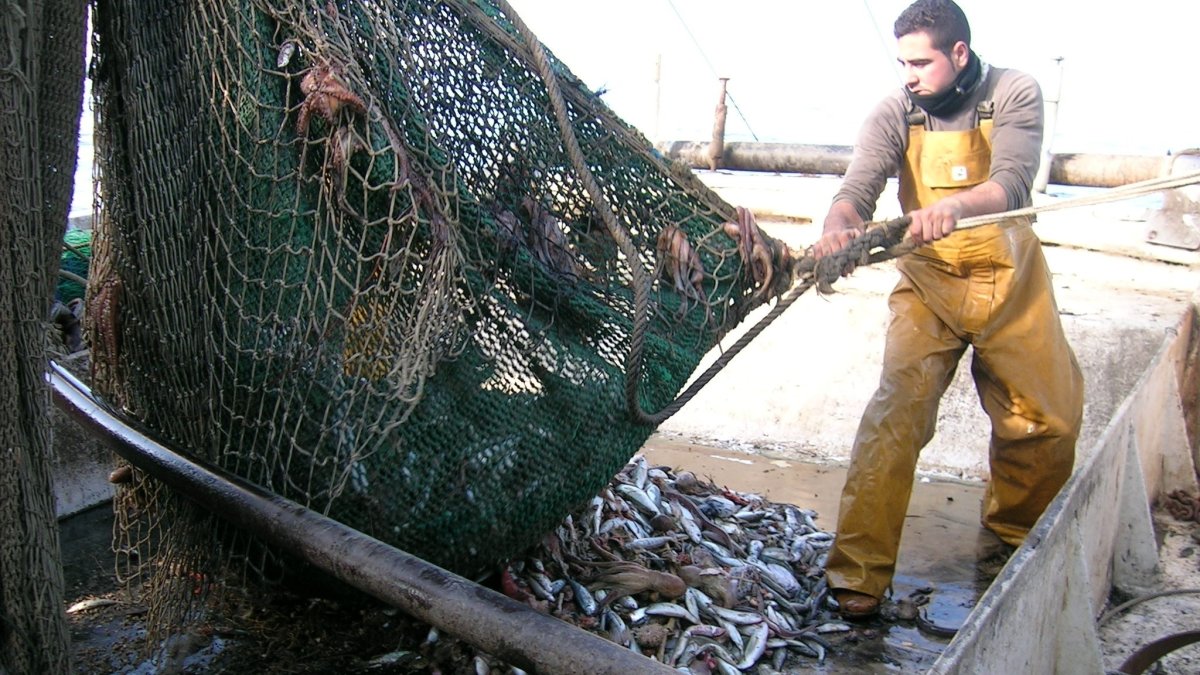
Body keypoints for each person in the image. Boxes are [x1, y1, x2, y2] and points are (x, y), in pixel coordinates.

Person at [813, 0, 1084, 619]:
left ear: (958, 53)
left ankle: (1014, 535)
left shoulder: (1014, 91)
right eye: (901, 61)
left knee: (1048, 421)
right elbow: (856, 191)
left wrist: (956, 207)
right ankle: (857, 574)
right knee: (894, 418)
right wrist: (838, 226)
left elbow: (1013, 181)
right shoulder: (894, 111)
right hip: (927, 283)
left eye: (921, 61)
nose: (908, 74)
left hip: (1009, 280)